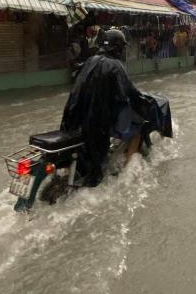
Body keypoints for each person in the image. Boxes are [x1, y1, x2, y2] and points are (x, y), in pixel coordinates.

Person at [60, 29, 143, 186]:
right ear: (118, 47)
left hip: (73, 121)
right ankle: (128, 173)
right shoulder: (116, 66)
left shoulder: (90, 60)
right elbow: (129, 92)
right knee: (137, 130)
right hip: (98, 124)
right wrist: (143, 101)